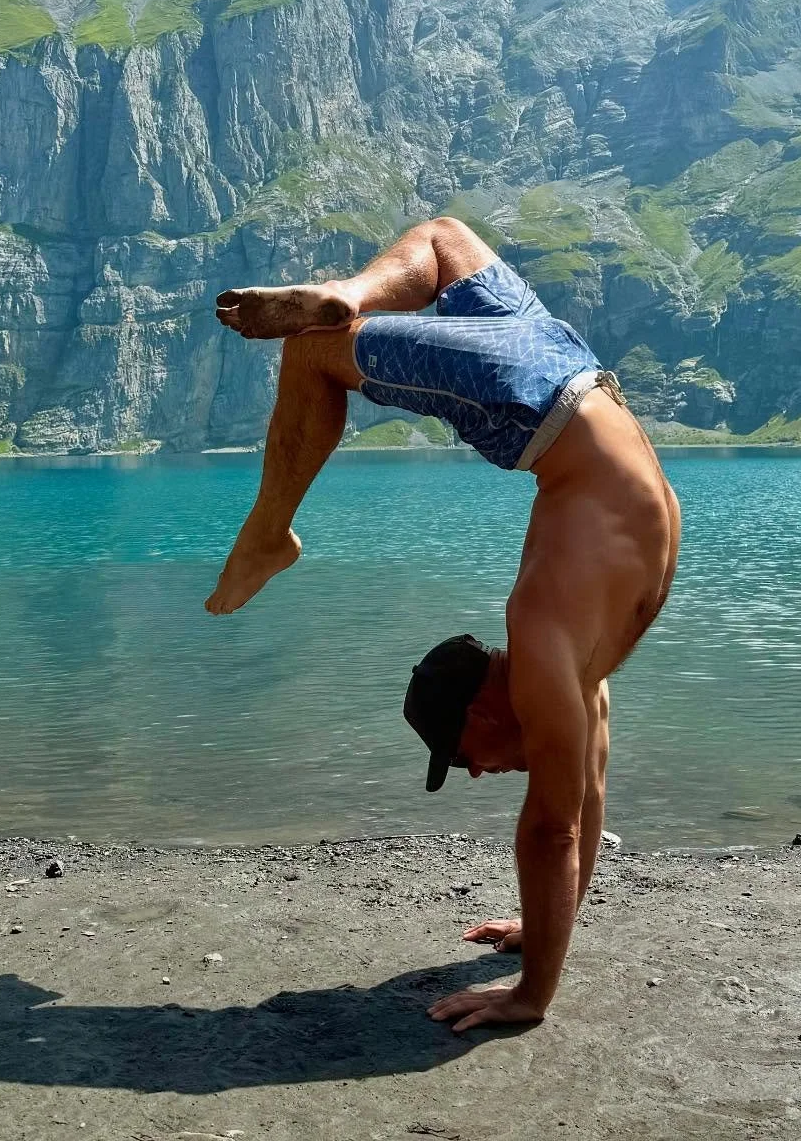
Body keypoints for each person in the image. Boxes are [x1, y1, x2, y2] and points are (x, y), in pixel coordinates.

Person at [208, 216, 681, 1034]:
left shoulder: (545, 644)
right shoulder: (577, 668)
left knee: (313, 353)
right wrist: (545, 926)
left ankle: (269, 532)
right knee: (443, 238)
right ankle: (351, 293)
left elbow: (551, 830)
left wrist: (530, 996)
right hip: (570, 367)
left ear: (483, 712)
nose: (474, 774)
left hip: (535, 400)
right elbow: (589, 792)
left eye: (460, 756)